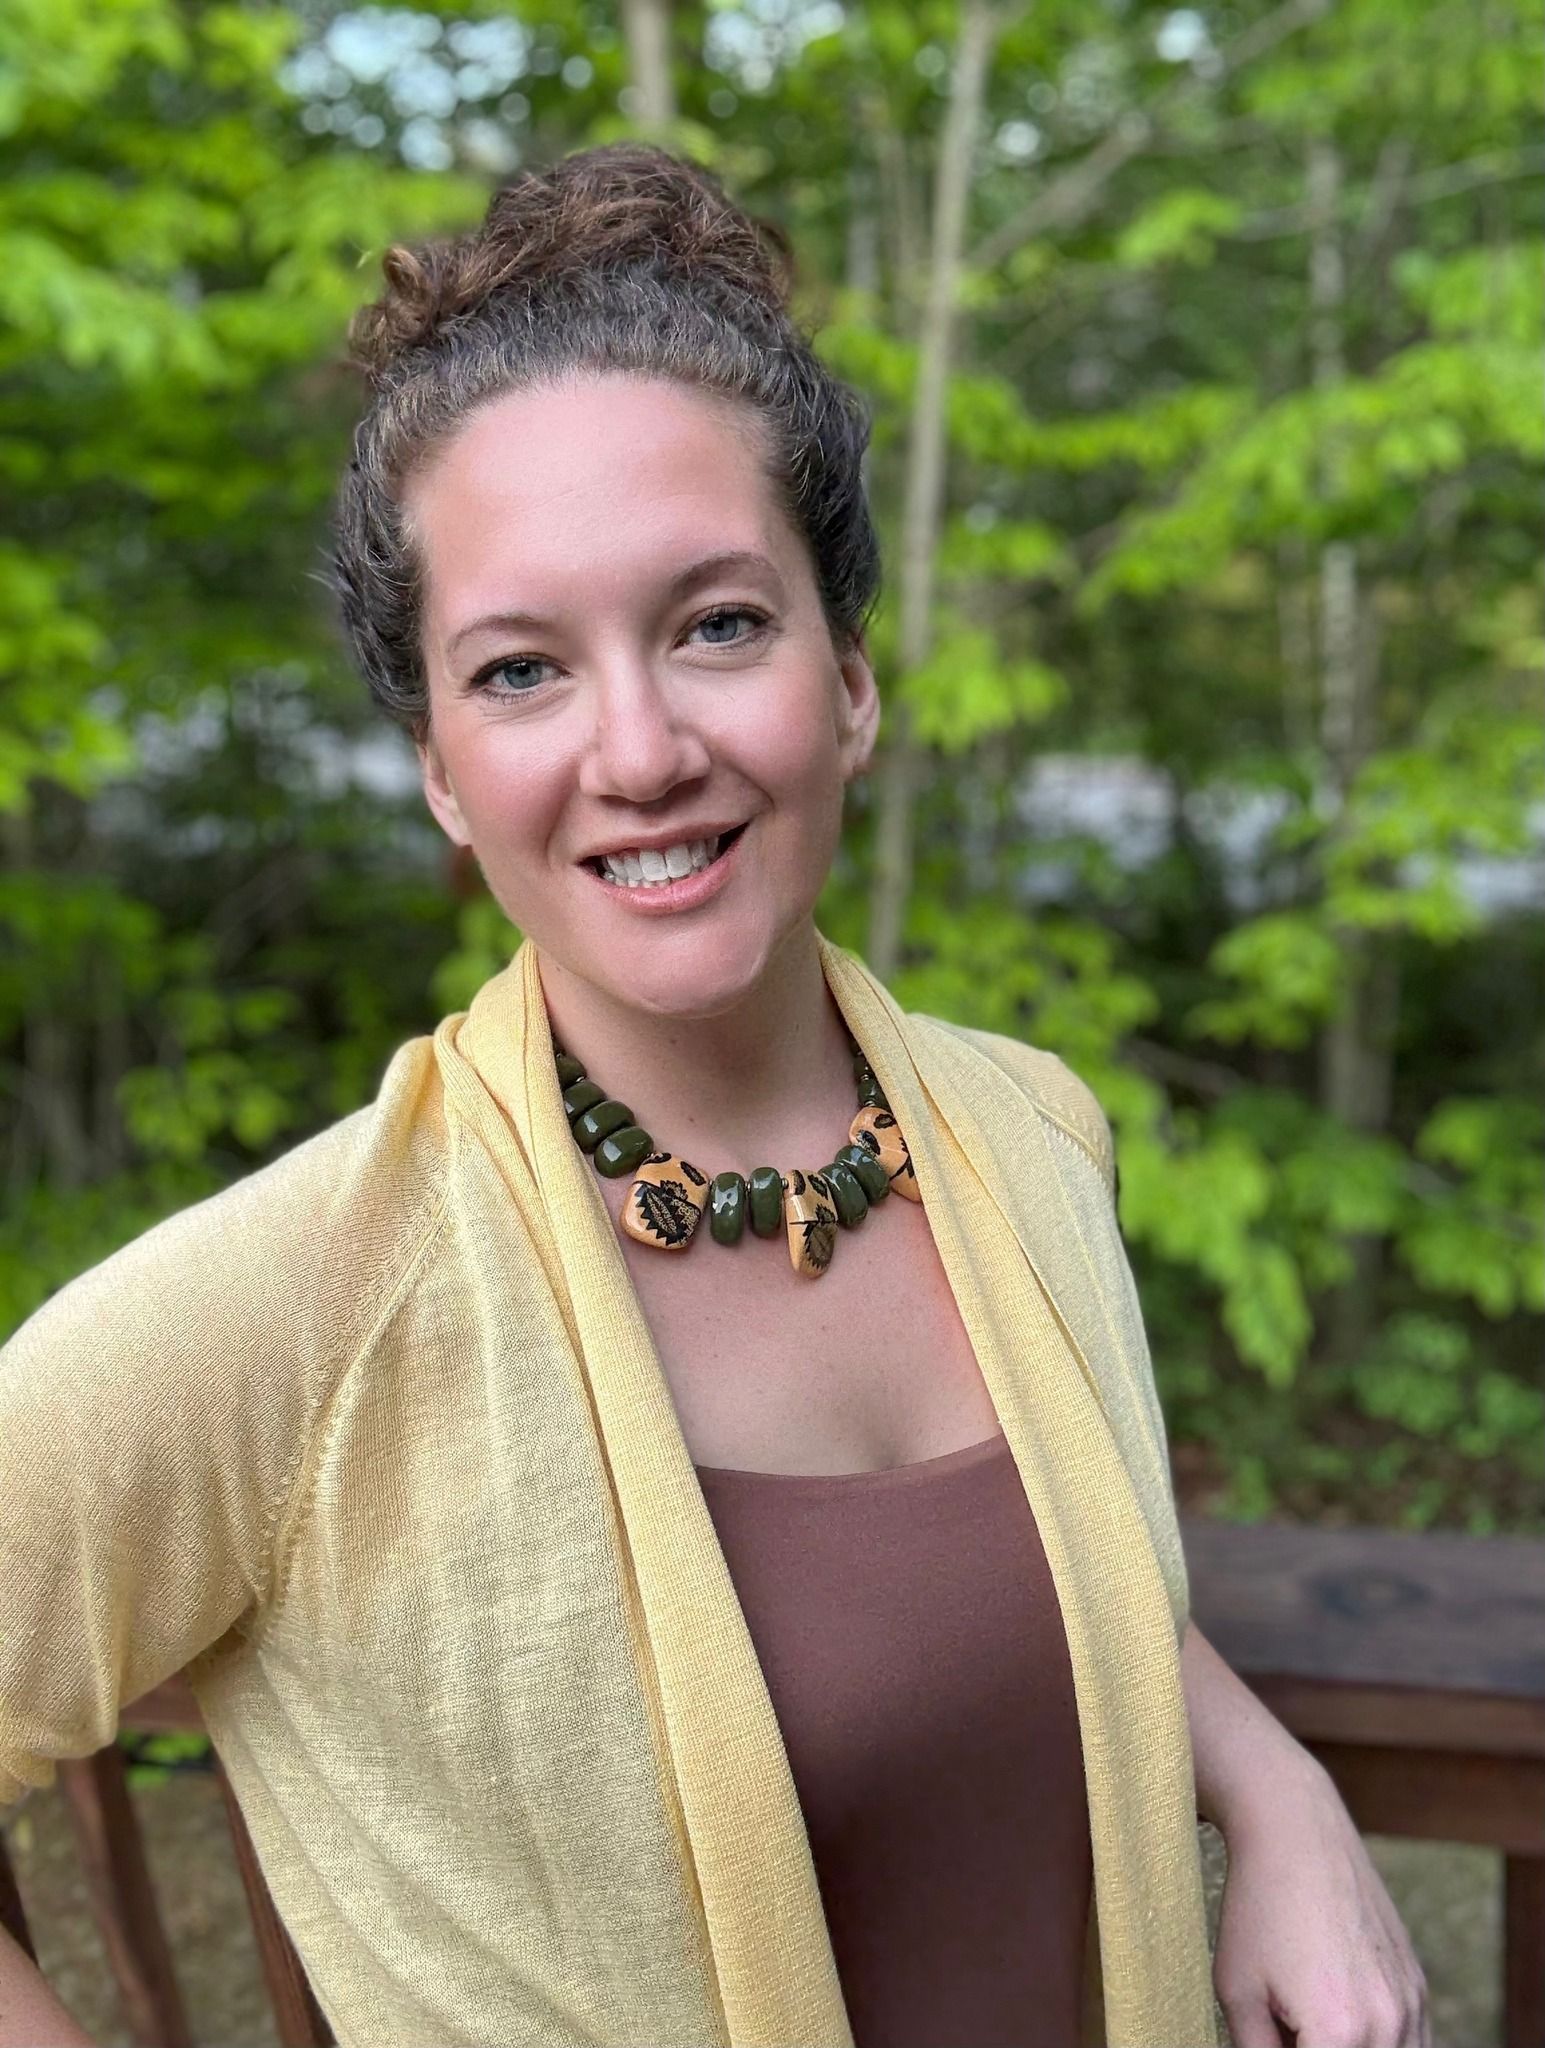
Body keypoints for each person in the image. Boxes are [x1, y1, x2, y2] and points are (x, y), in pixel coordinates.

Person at [0, 143, 1428, 2048]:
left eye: (716, 624)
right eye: (520, 671)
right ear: (439, 770)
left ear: (846, 678)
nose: (641, 749)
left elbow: (1066, 1579)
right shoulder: (313, 1305)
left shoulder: (1025, 1136)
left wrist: (1279, 1795)